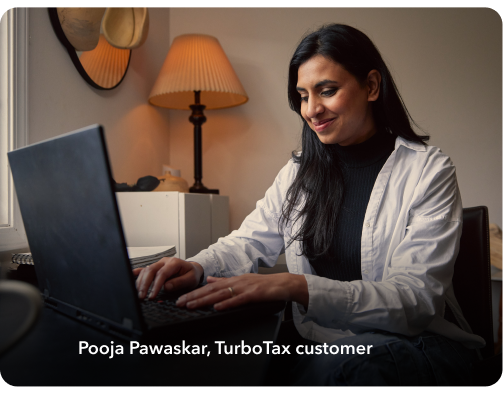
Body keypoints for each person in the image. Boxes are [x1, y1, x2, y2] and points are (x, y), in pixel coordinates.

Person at [134, 24, 485, 386]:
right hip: (321, 346)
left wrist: (297, 286)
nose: (311, 109)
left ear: (372, 86)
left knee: (341, 370)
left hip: (415, 345)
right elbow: (248, 241)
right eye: (302, 96)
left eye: (327, 91)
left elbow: (415, 301)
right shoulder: (299, 171)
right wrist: (195, 267)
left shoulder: (429, 170)